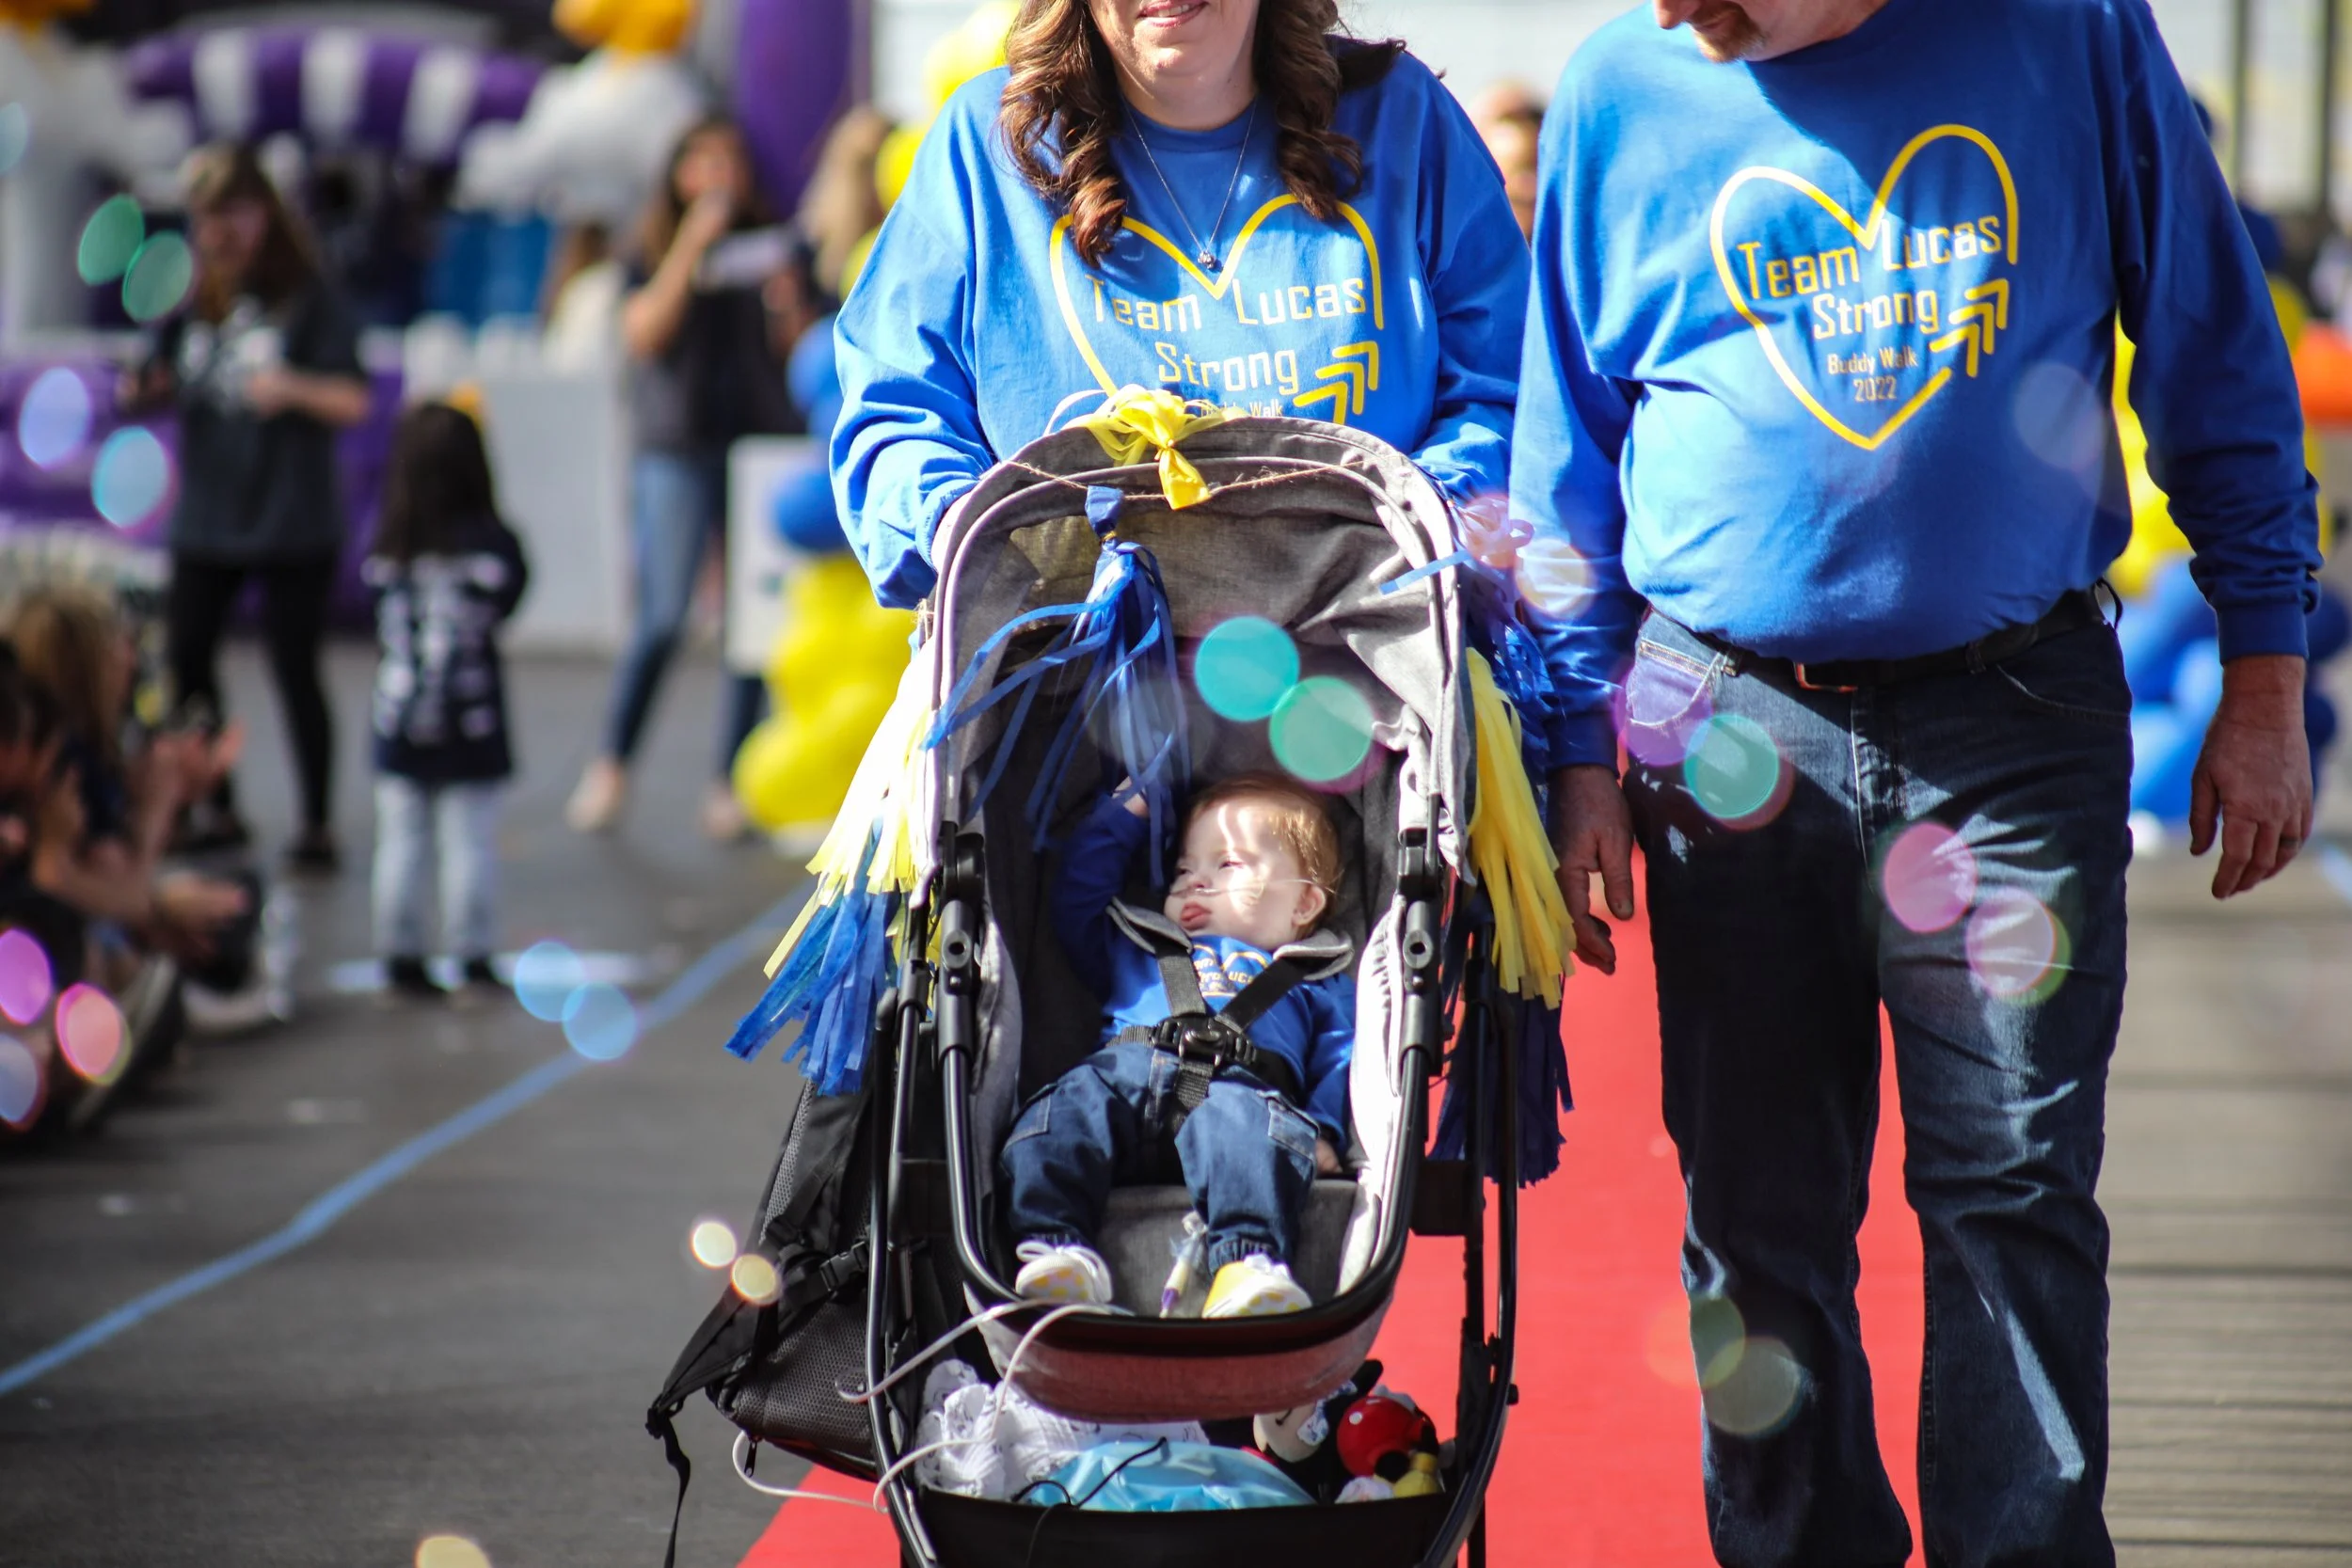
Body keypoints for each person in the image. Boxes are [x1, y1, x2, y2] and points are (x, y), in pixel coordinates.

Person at [1513, 2, 2323, 1563]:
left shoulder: (2070, 31)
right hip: (1715, 731)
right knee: (1755, 1216)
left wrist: (2267, 672)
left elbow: (2216, 351)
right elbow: (1563, 465)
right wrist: (1571, 753)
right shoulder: (1621, 90)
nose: (1671, 7)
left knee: (2013, 1187)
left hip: (2013, 715)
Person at [832, 0, 1528, 610]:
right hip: (1062, 670)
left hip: (1373, 661)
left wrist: (1419, 526)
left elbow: (1512, 388)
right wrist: (966, 531)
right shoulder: (988, 141)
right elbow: (896, 411)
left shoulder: (1401, 118)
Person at [1005, 772, 1352, 1319]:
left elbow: (1341, 1057)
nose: (1195, 883)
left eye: (1227, 864)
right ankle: (1054, 1245)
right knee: (1060, 1112)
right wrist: (1128, 810)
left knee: (1258, 1136)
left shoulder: (1317, 977)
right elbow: (1075, 896)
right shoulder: (1138, 943)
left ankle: (1246, 1261)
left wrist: (1326, 1129)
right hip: (1124, 1071)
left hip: (1241, 1089)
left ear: (1304, 902)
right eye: (1184, 870)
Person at [121, 144, 373, 874]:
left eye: (232, 215)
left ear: (264, 214)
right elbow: (153, 374)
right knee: (188, 657)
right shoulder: (191, 296)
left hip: (291, 512)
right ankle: (215, 801)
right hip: (210, 508)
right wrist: (145, 390)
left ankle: (316, 818)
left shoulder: (309, 296)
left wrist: (291, 388)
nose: (219, 234)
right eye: (207, 219)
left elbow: (354, 398)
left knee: (296, 667)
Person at [565, 117, 804, 842]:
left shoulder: (774, 244)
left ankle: (730, 781)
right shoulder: (650, 247)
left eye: (729, 160)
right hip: (675, 443)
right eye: (701, 161)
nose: (717, 175)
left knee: (751, 623)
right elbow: (643, 333)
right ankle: (612, 763)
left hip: (757, 440)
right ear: (677, 174)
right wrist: (690, 248)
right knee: (663, 613)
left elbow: (803, 349)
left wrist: (786, 298)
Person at [364, 400, 530, 1001]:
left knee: (401, 842)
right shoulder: (492, 547)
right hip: (472, 722)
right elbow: (510, 596)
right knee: (470, 843)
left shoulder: (386, 544)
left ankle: (400, 953)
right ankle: (472, 953)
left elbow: (368, 609)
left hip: (398, 719)